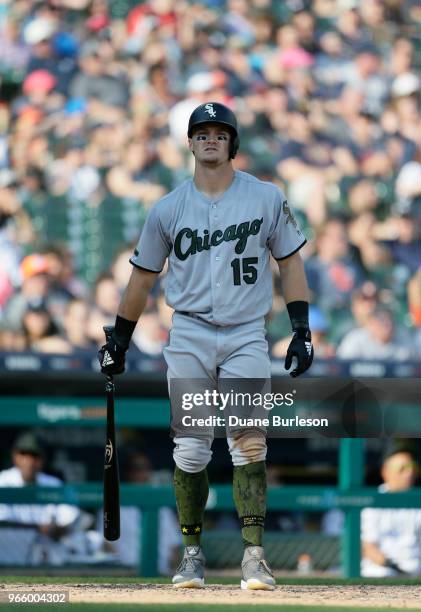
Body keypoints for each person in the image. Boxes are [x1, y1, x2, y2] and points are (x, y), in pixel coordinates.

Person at [98, 102, 314, 590]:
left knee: (248, 441)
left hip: (245, 332)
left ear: (233, 142)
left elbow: (292, 264)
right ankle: (191, 554)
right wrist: (120, 339)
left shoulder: (265, 197)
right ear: (191, 142)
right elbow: (141, 280)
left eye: (220, 132)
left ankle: (254, 555)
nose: (210, 138)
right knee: (192, 448)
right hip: (190, 332)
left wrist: (301, 328)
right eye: (202, 132)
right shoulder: (168, 207)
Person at [0, 432, 97, 566]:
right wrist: (37, 528)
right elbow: (3, 522)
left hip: (45, 552)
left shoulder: (53, 484)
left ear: (42, 460)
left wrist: (59, 528)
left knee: (90, 539)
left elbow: (70, 515)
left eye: (34, 456)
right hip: (9, 552)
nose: (29, 461)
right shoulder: (3, 481)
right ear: (15, 457)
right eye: (24, 454)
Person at [361, 443, 421, 577]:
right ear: (385, 471)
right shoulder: (372, 501)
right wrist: (394, 568)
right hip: (382, 572)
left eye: (412, 467)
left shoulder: (418, 498)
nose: (409, 473)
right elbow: (367, 546)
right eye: (402, 468)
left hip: (417, 570)